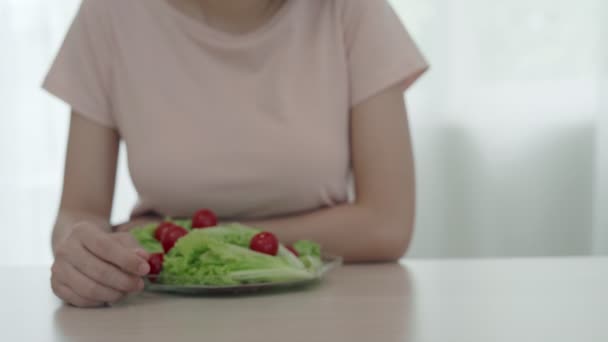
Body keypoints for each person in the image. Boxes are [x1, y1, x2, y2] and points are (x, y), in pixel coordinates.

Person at [44, 0, 428, 307]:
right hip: (164, 308)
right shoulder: (110, 13)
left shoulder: (353, 9)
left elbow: (386, 225)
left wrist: (195, 242)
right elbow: (80, 213)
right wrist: (82, 254)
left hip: (324, 302)